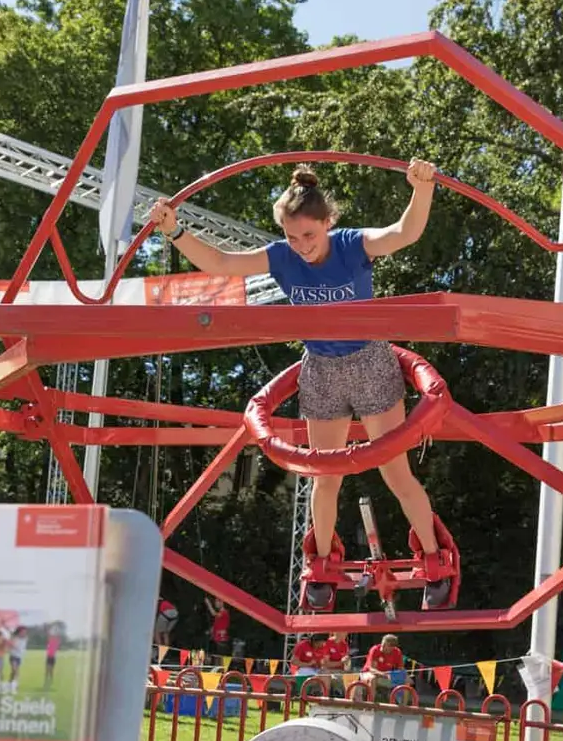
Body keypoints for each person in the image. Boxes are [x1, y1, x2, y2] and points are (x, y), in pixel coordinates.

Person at [148, 162, 454, 611]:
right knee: (323, 476)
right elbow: (219, 264)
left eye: (309, 236)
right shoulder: (282, 257)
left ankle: (434, 558)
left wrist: (422, 188)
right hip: (322, 370)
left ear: (328, 223)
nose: (302, 247)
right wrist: (175, 231)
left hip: (369, 361)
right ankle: (324, 565)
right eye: (293, 237)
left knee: (395, 473)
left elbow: (403, 232)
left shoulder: (351, 246)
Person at [316, 631, 351, 696]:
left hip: (340, 671)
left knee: (354, 675)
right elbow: (325, 664)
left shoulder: (345, 645)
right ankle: (325, 699)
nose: (346, 634)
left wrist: (347, 662)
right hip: (328, 670)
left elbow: (346, 665)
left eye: (346, 632)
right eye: (344, 632)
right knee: (325, 674)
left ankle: (354, 702)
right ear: (336, 632)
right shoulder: (327, 643)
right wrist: (341, 662)